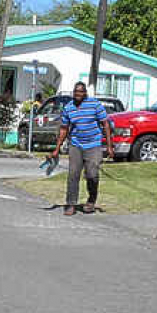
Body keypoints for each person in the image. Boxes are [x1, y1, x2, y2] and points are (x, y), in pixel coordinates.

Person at [48, 82, 114, 215]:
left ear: (85, 93)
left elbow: (105, 124)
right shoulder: (69, 108)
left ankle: (91, 200)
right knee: (73, 174)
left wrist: (109, 146)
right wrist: (56, 149)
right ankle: (71, 204)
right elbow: (64, 129)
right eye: (75, 92)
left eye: (80, 92)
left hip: (93, 144)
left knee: (92, 174)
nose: (77, 94)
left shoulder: (95, 104)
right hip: (76, 144)